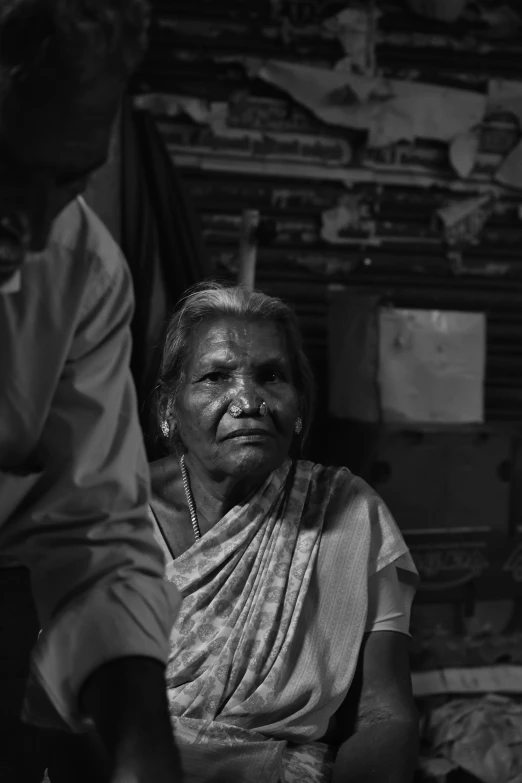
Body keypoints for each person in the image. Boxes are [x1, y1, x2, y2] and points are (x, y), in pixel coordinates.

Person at [0, 1, 182, 781]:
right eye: (6, 170)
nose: (33, 228)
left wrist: (142, 736)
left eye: (70, 179)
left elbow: (93, 529)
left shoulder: (83, 271)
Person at [149, 281, 420, 783]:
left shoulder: (349, 513)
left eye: (272, 376)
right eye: (215, 376)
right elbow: (66, 706)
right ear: (170, 409)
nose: (248, 400)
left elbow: (385, 716)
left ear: (298, 407)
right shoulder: (111, 517)